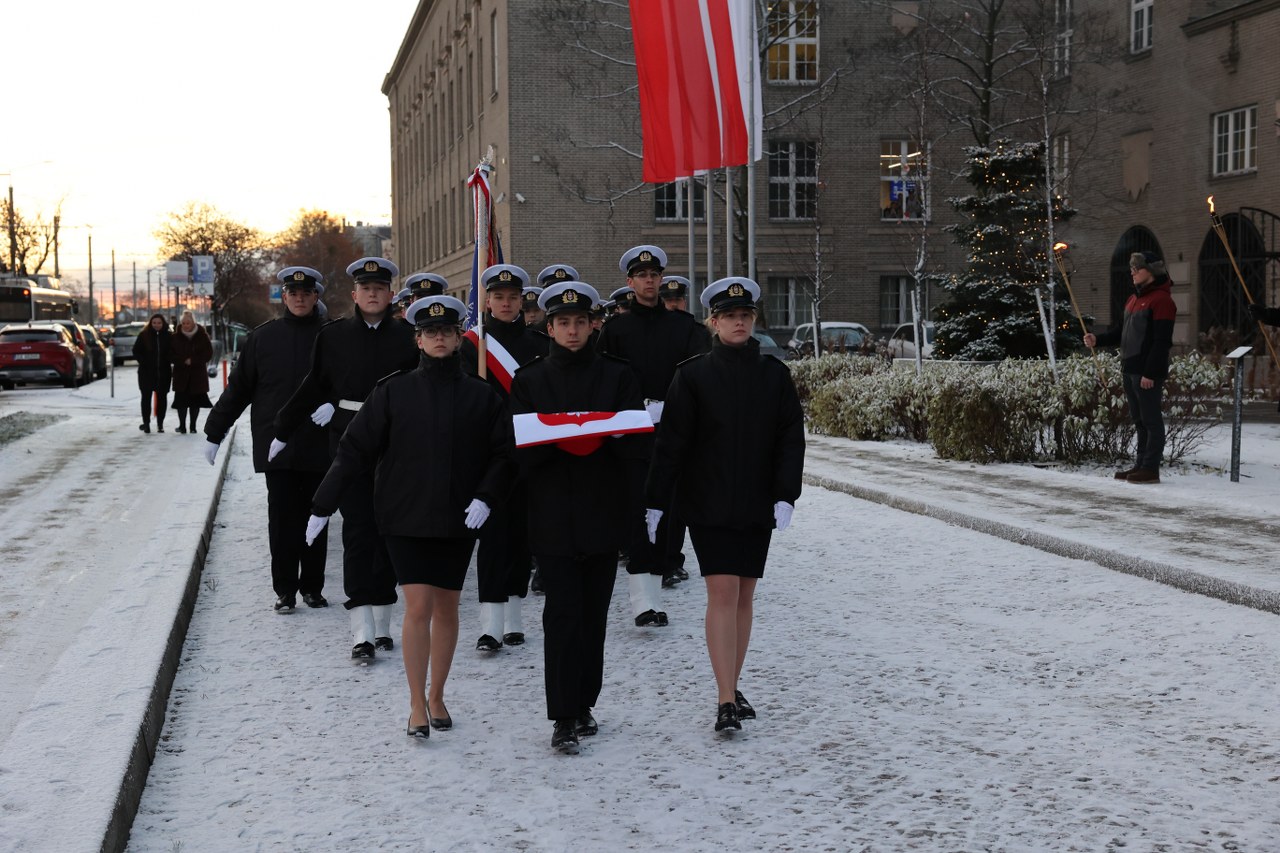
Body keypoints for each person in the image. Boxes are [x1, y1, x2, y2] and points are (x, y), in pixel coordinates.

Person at [306, 295, 512, 737]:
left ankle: (438, 693)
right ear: (418, 340)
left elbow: (502, 455)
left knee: (448, 607)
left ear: (459, 338)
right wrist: (323, 504)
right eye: (430, 333)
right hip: (405, 516)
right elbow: (354, 450)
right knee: (418, 605)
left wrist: (487, 496)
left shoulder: (482, 396)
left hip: (460, 518)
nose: (439, 339)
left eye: (447, 332)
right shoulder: (393, 391)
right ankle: (417, 702)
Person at [644, 277, 805, 733]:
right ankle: (724, 698)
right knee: (722, 593)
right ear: (713, 322)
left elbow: (790, 439)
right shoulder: (692, 375)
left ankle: (732, 684)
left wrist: (785, 494)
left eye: (746, 315)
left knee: (745, 597)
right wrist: (656, 500)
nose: (739, 322)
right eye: (730, 316)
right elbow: (672, 444)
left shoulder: (774, 374)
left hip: (757, 503)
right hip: (708, 501)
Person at [509, 280, 650, 753]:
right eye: (562, 323)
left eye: (580, 322)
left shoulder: (618, 376)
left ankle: (585, 702)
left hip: (603, 510)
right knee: (562, 615)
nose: (572, 331)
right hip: (550, 513)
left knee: (593, 616)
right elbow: (520, 451)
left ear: (594, 325)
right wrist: (580, 434)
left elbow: (636, 446)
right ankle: (563, 714)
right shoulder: (529, 381)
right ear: (548, 328)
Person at [271, 256, 420, 660]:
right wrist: (283, 429)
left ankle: (385, 620)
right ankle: (361, 629)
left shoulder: (410, 336)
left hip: (396, 448)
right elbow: (312, 385)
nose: (372, 293)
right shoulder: (333, 336)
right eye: (365, 288)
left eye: (380, 287)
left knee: (390, 532)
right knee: (357, 532)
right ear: (354, 294)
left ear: (391, 294)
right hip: (350, 444)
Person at [203, 266, 332, 612]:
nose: (300, 299)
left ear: (316, 297)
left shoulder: (332, 335)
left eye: (306, 294)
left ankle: (312, 587)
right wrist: (215, 431)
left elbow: (347, 381)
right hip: (277, 446)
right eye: (294, 294)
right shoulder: (263, 338)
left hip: (321, 442)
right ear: (284, 297)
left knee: (317, 515)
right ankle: (286, 590)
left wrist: (333, 404)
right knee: (282, 520)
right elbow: (239, 389)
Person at [597, 245, 711, 627]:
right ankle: (643, 601)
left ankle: (662, 576)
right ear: (630, 282)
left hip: (674, 429)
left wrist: (675, 408)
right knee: (636, 510)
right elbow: (602, 382)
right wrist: (626, 413)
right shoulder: (615, 330)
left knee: (672, 508)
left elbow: (700, 379)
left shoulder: (685, 327)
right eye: (641, 276)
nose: (649, 281)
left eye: (654, 275)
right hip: (630, 433)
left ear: (661, 279)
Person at [459, 263, 549, 652]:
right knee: (493, 538)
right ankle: (490, 625)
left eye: (513, 297)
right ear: (487, 301)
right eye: (498, 297)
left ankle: (514, 620)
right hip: (489, 452)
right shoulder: (471, 345)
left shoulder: (540, 343)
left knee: (521, 539)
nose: (506, 303)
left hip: (529, 451)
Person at [1083, 250, 1177, 484]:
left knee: (1151, 420)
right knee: (1139, 420)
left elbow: (1161, 341)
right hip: (1130, 369)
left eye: (1138, 268)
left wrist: (1151, 373)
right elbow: (1119, 332)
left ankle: (1150, 468)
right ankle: (1140, 465)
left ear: (1152, 271)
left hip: (1146, 373)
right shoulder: (1133, 299)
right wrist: (1098, 340)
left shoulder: (1162, 300)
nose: (1132, 272)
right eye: (1131, 268)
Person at [170, 310, 214, 435]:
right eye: (183, 323)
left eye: (188, 323)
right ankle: (182, 426)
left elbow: (208, 353)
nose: (185, 325)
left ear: (193, 323)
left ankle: (193, 426)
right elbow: (170, 354)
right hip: (181, 374)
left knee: (195, 402)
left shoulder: (202, 336)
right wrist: (182, 360)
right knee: (181, 402)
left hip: (197, 374)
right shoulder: (175, 337)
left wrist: (194, 360)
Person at [133, 313, 173, 434]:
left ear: (163, 324)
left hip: (163, 373)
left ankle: (160, 423)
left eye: (159, 323)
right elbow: (136, 351)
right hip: (146, 373)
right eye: (154, 323)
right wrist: (143, 361)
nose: (156, 325)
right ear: (151, 323)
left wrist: (169, 359)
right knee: (146, 398)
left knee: (162, 398)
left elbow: (173, 351)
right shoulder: (144, 335)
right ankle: (146, 423)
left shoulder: (169, 336)